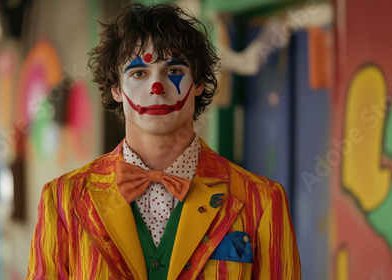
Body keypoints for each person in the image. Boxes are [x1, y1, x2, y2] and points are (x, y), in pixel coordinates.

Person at [26, 3, 301, 279]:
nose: (156, 88)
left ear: (199, 83)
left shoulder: (263, 201)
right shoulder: (63, 201)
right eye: (138, 73)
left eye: (173, 71)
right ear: (116, 88)